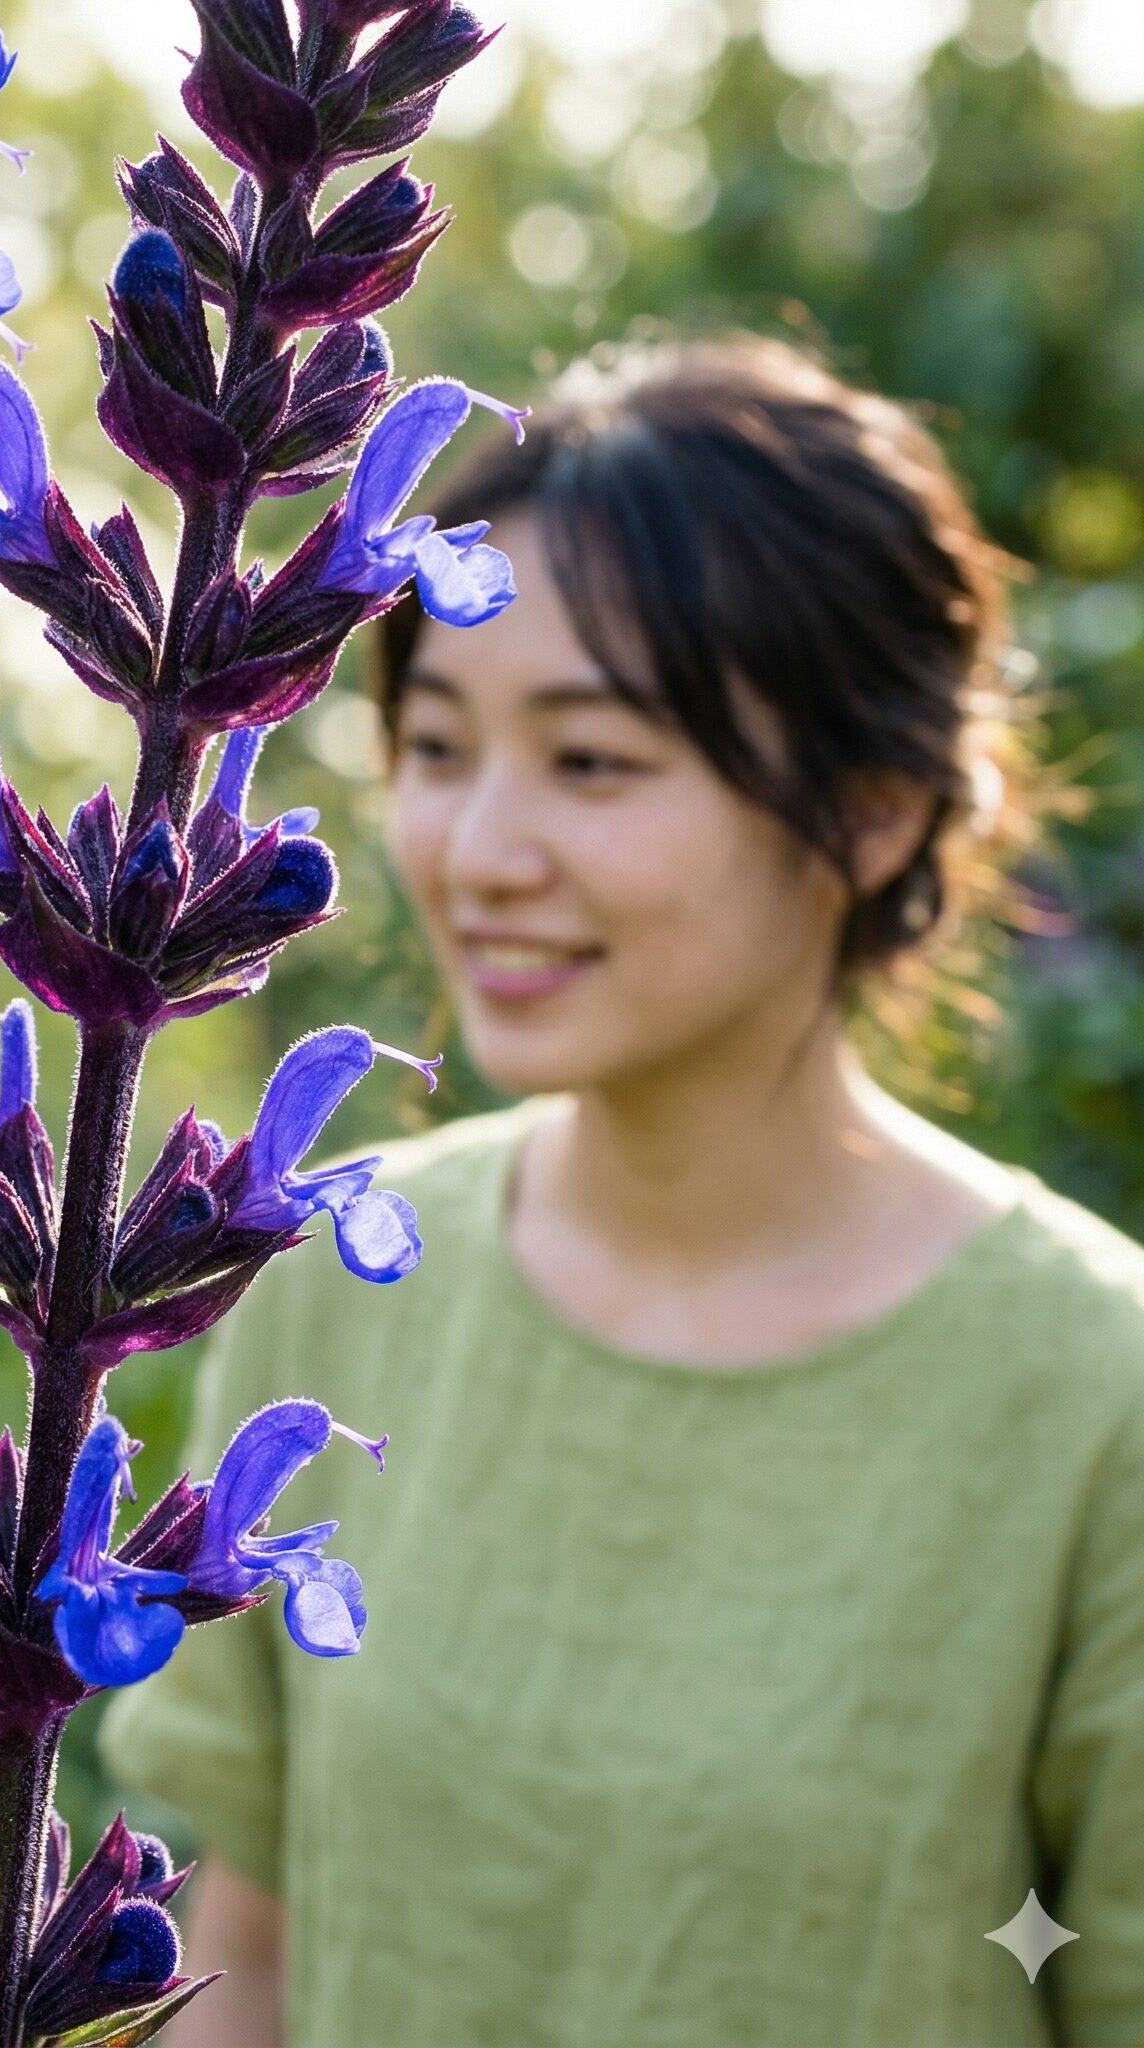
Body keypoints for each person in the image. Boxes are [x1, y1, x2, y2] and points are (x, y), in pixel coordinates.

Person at [99, 335, 1144, 2048]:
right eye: (436, 746)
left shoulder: (1097, 1390)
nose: (479, 851)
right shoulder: (327, 1275)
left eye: (591, 762)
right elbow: (250, 1964)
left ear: (878, 812)